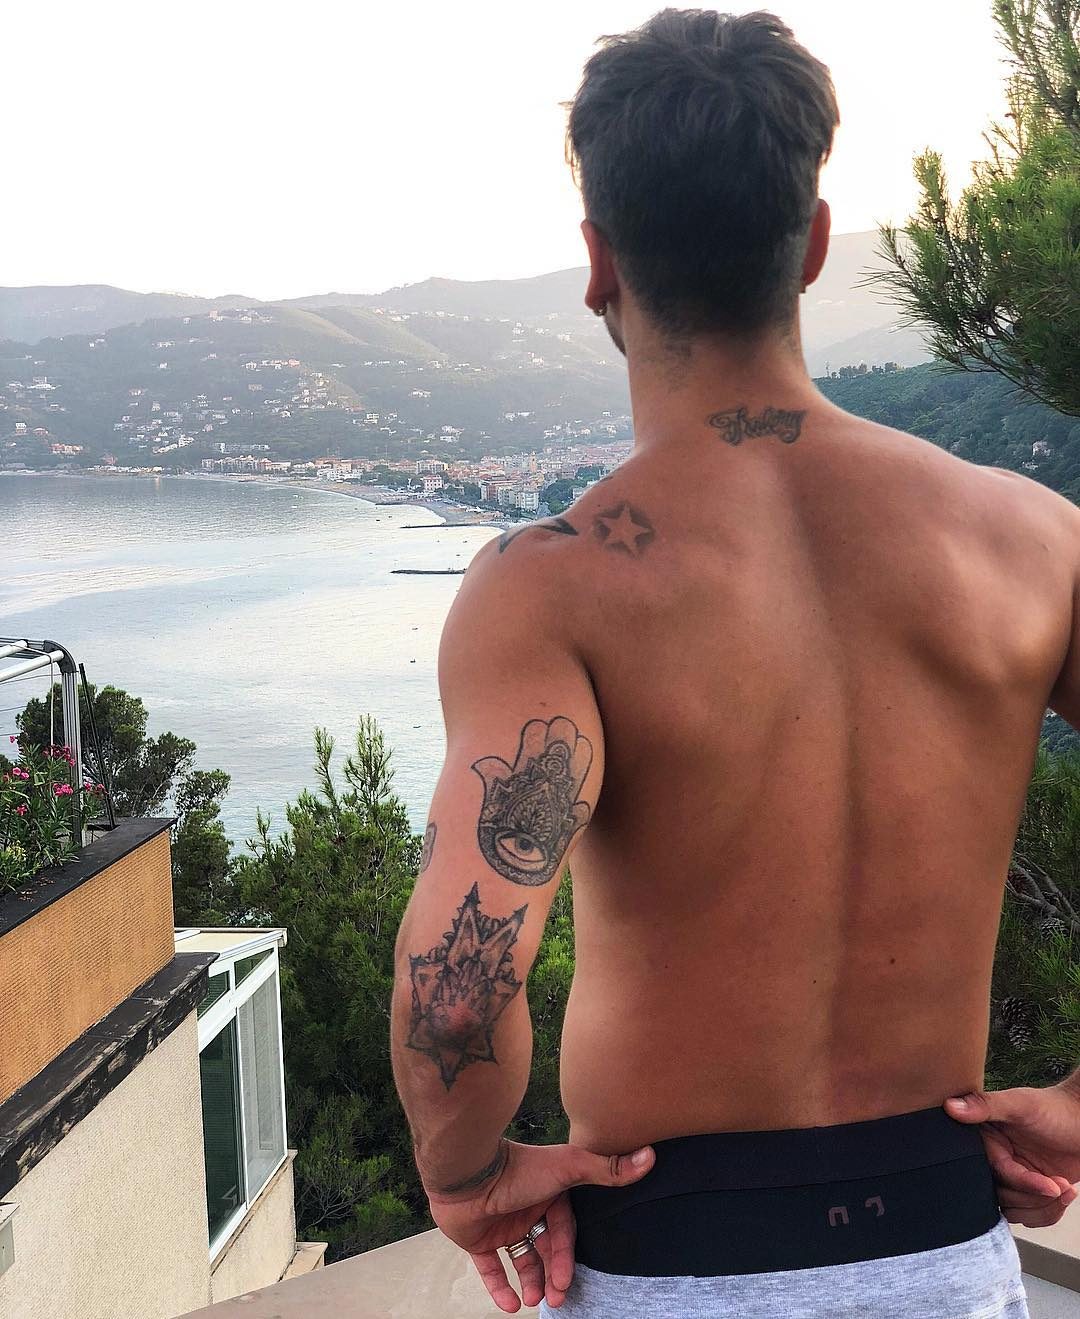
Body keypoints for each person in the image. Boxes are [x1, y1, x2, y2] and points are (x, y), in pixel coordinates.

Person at [390, 9, 1080, 1316]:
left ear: (599, 261)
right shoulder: (1036, 540)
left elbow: (460, 979)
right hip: (943, 1241)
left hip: (671, 1256)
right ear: (812, 244)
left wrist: (467, 1172)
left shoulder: (550, 584)